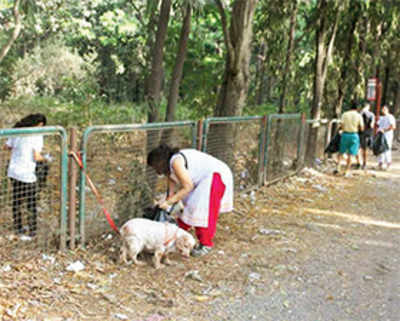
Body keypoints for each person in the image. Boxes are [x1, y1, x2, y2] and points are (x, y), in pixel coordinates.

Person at [147, 144, 234, 257]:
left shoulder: (176, 162)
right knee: (189, 206)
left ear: (159, 162)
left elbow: (187, 186)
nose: (155, 170)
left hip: (215, 176)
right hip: (203, 179)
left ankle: (205, 244)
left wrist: (168, 202)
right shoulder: (169, 167)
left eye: (154, 167)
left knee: (202, 210)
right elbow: (171, 192)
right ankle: (177, 233)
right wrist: (166, 202)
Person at [3, 113, 47, 237]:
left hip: (13, 171)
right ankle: (32, 230)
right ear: (39, 124)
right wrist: (46, 159)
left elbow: (6, 147)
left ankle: (18, 228)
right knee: (31, 202)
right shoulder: (37, 135)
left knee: (16, 200)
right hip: (27, 173)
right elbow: (36, 157)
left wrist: (19, 149)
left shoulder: (17, 130)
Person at [335, 101, 364, 177]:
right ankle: (347, 171)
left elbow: (341, 125)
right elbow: (362, 127)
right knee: (351, 154)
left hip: (345, 134)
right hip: (354, 135)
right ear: (357, 108)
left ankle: (338, 168)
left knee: (341, 152)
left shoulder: (345, 114)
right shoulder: (358, 115)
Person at [355, 103, 375, 169]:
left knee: (357, 148)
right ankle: (364, 163)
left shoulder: (358, 114)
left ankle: (358, 163)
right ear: (368, 107)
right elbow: (372, 125)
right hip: (367, 133)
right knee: (365, 149)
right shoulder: (372, 115)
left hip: (359, 133)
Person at [376, 105, 396, 170]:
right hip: (380, 135)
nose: (383, 110)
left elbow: (393, 126)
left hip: (387, 135)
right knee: (380, 149)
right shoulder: (381, 118)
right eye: (382, 109)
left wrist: (385, 130)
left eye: (384, 109)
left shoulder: (390, 117)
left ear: (387, 110)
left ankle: (388, 164)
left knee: (387, 149)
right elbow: (377, 125)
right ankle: (380, 164)